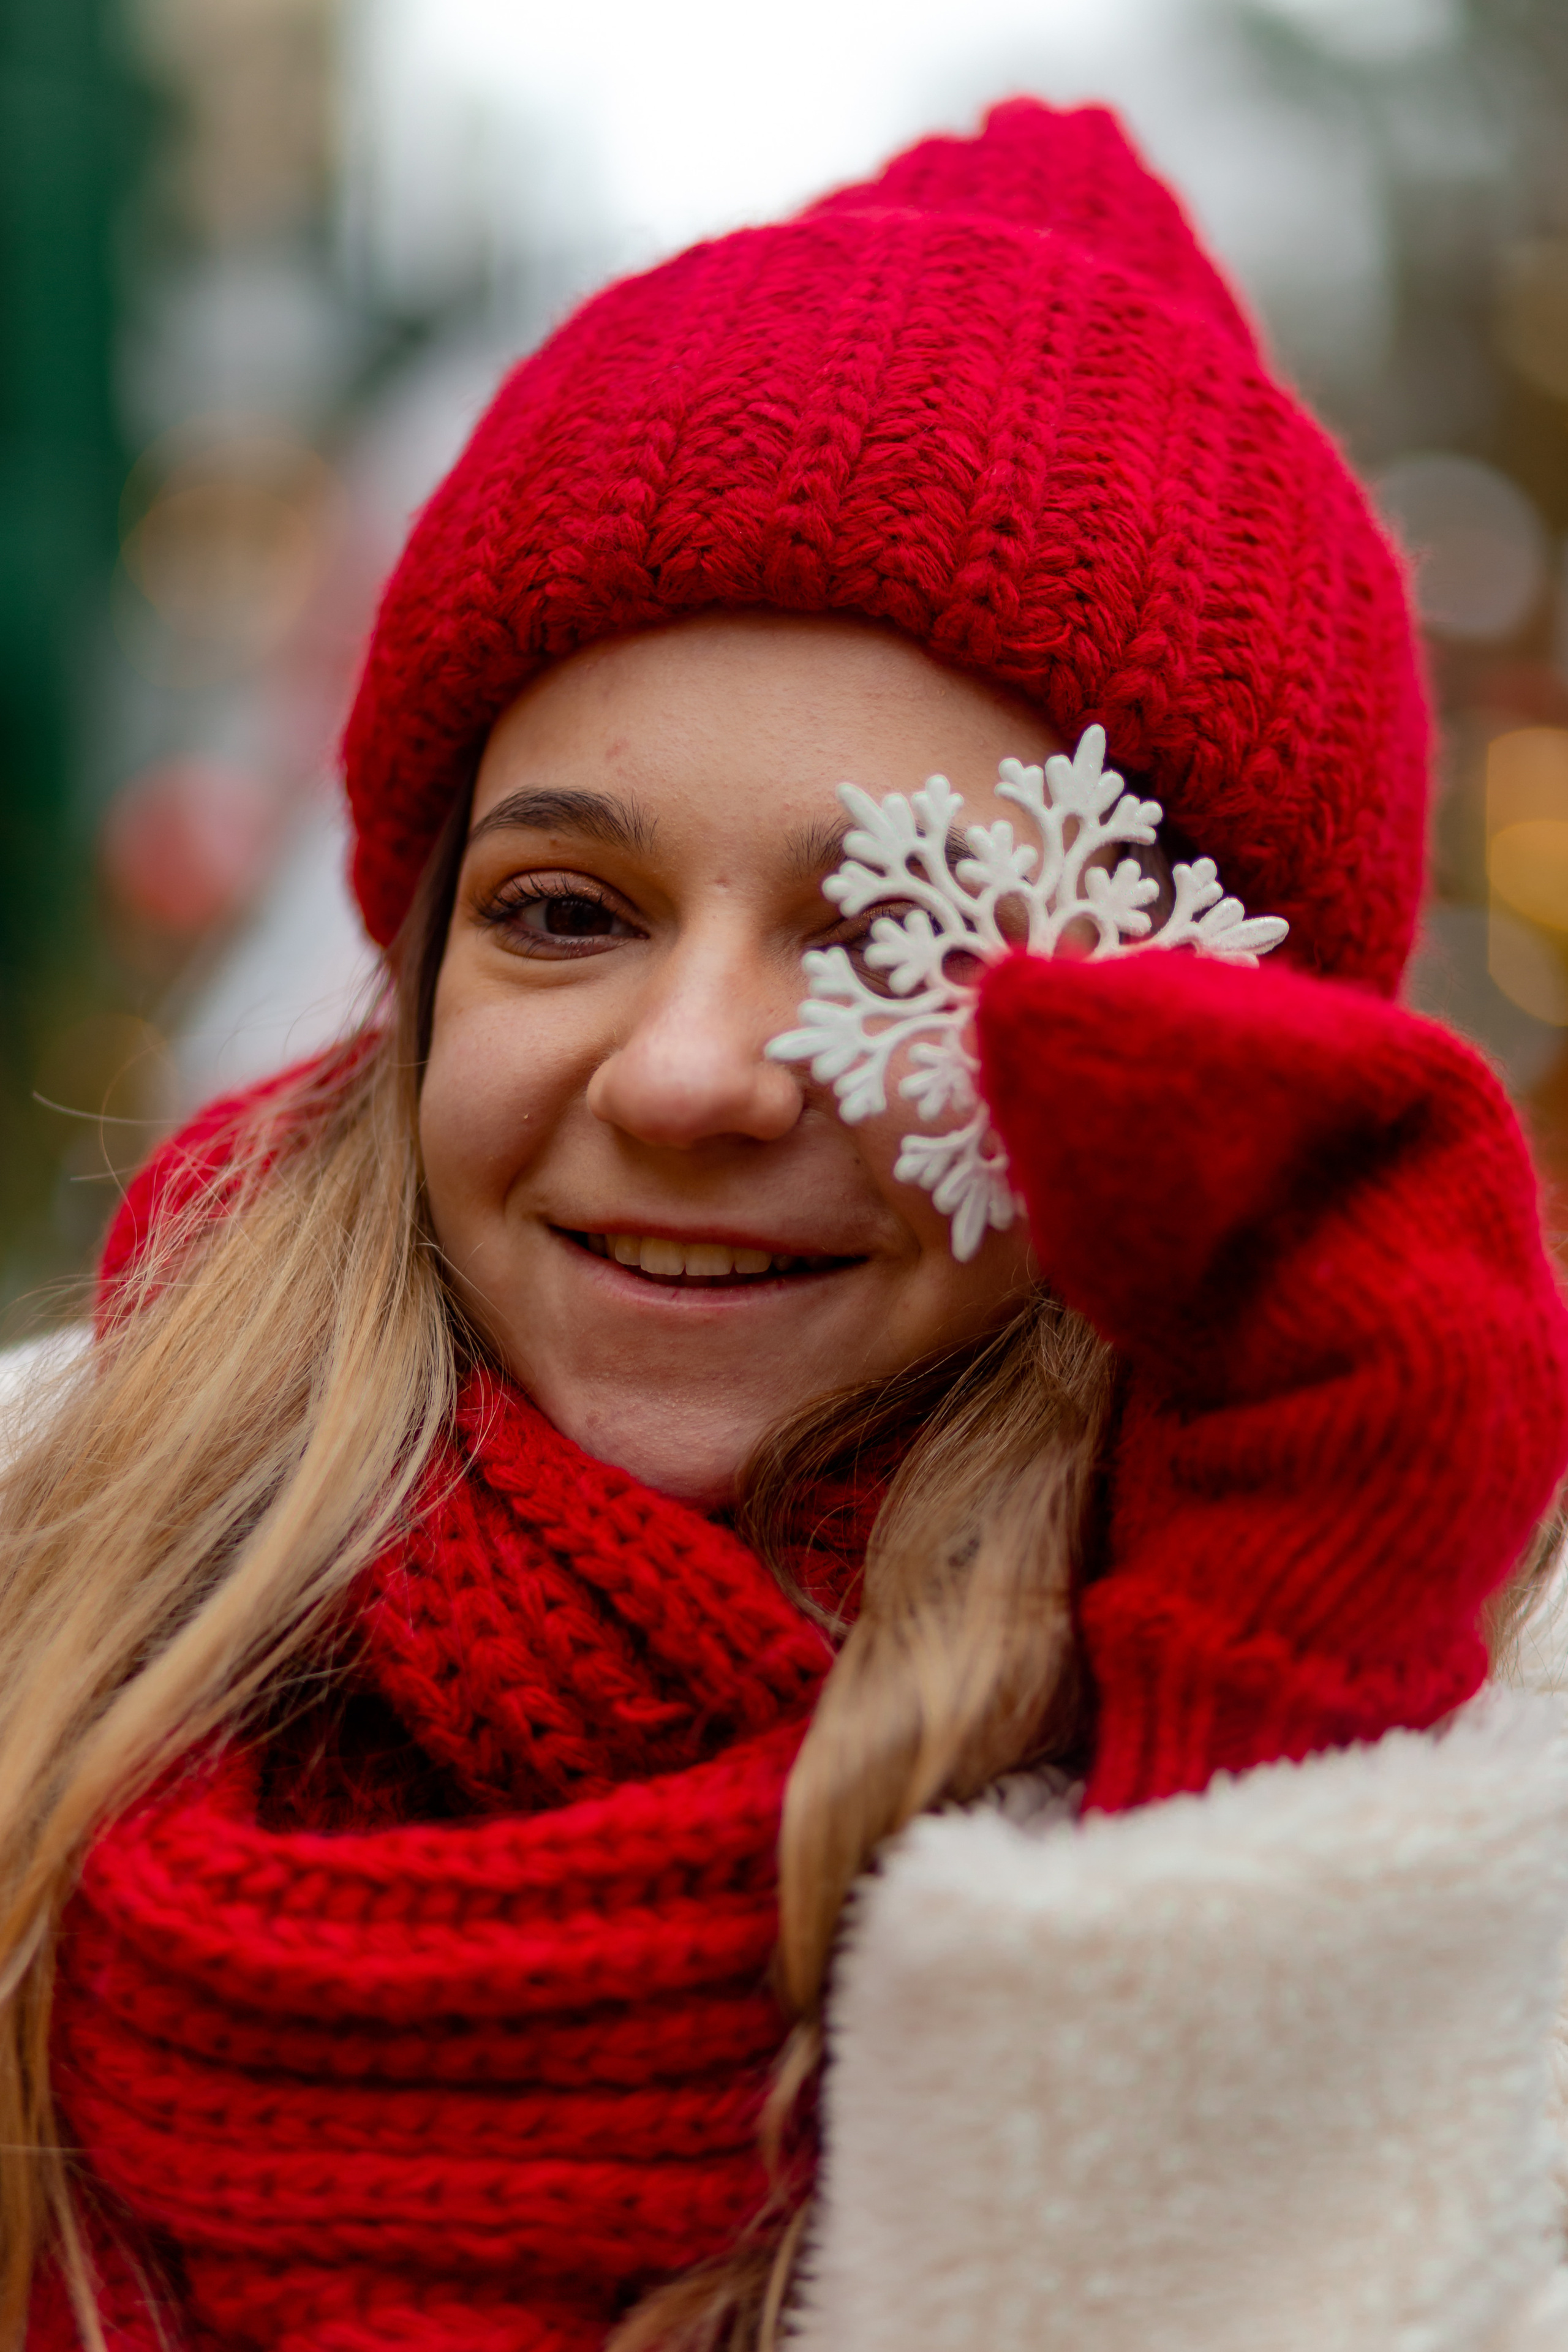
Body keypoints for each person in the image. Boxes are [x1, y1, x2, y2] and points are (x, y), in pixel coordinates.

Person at [4, 97, 1568, 2352]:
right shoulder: (44, 1605)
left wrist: (1251, 1855)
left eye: (897, 944)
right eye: (566, 911)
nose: (686, 1074)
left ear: (1206, 1068)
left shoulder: (1472, 1869)